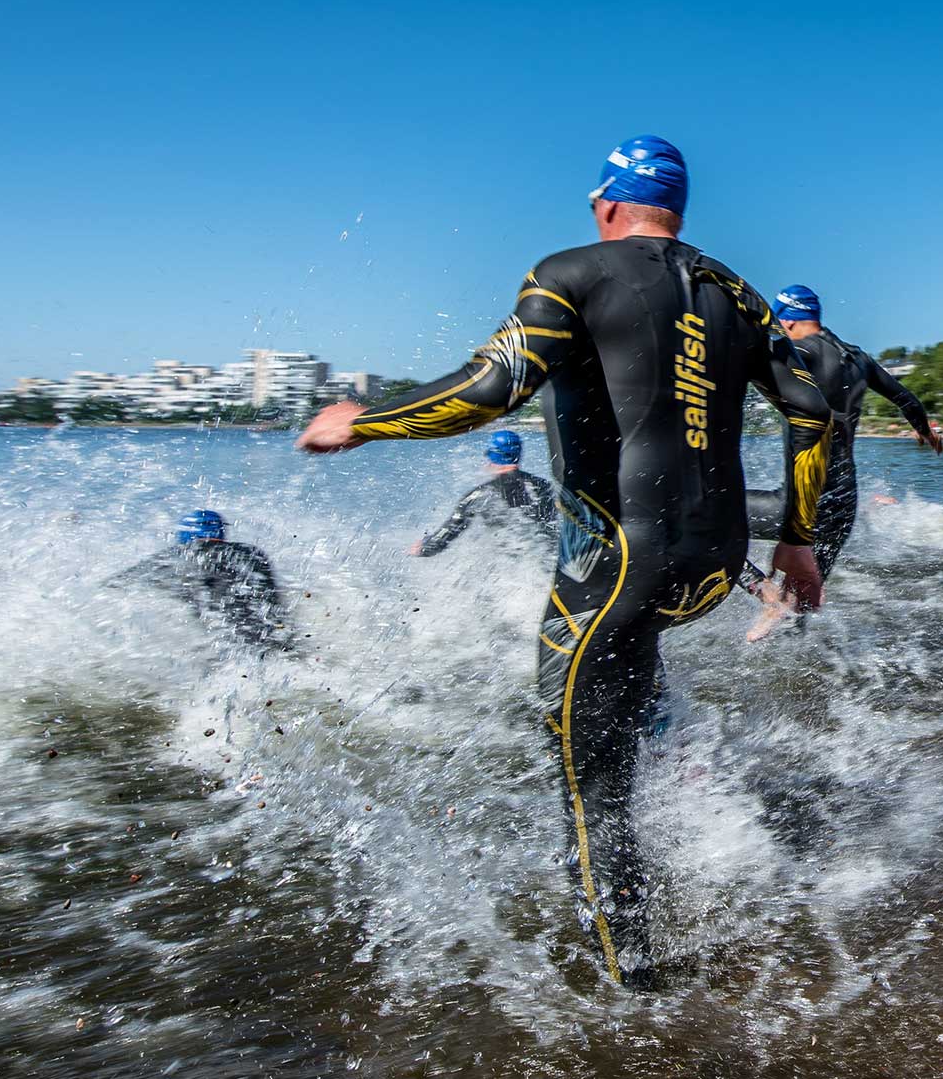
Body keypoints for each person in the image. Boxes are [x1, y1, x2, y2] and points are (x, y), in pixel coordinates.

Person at [294, 135, 833, 987]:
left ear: (607, 204)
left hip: (618, 565)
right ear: (676, 209)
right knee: (635, 673)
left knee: (591, 785)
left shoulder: (572, 271)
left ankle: (634, 989)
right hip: (716, 564)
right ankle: (700, 804)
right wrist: (796, 543)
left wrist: (362, 422)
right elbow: (812, 412)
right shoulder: (739, 294)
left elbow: (487, 391)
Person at [737, 284, 941, 636]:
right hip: (843, 502)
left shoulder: (796, 353)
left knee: (707, 516)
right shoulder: (857, 358)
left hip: (799, 503)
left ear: (785, 321)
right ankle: (801, 674)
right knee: (799, 604)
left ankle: (762, 591)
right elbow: (906, 398)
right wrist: (925, 430)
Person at [115, 510, 284, 650]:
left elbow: (119, 584)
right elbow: (270, 596)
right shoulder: (250, 553)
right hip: (263, 634)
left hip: (214, 638)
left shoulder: (175, 557)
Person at [411, 430, 556, 557]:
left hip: (512, 566)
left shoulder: (481, 495)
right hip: (548, 559)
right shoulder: (544, 486)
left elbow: (445, 536)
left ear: (492, 456)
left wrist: (422, 548)